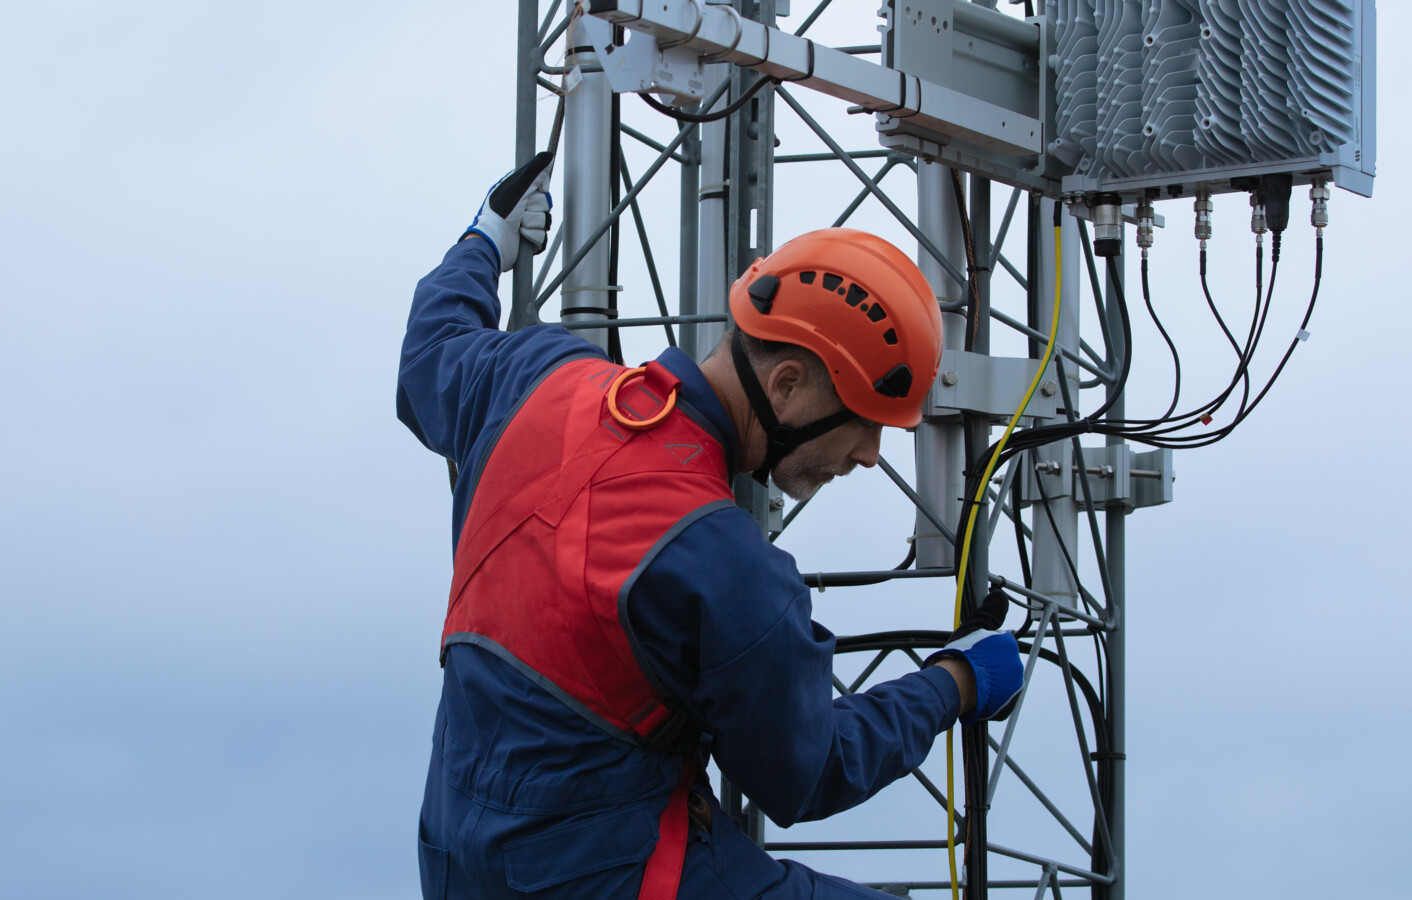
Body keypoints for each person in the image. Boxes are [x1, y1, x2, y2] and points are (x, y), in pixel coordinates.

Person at [396, 155, 1024, 899]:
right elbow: (809, 772)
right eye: (864, 426)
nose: (868, 456)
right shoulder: (721, 561)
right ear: (787, 386)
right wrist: (954, 682)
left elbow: (430, 352)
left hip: (454, 863)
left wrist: (483, 245)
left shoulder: (539, 377)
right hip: (615, 878)